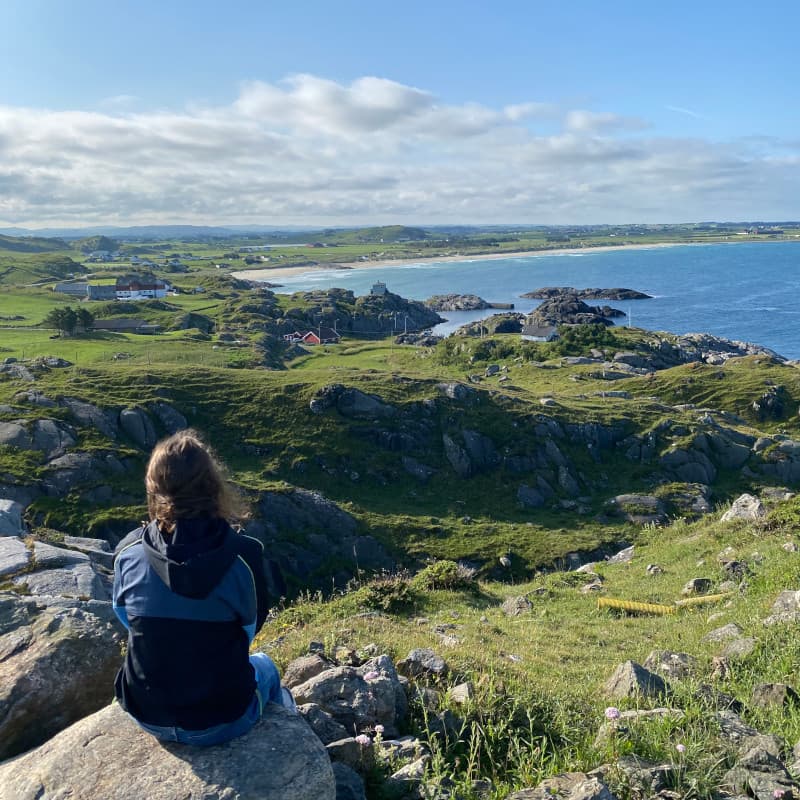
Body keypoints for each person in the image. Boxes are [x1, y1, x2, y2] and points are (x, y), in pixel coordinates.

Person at [112, 429, 295, 746]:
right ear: (213, 485)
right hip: (220, 718)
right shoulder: (245, 556)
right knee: (265, 667)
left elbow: (126, 617)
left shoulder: (128, 552)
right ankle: (290, 739)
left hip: (145, 711)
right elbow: (247, 633)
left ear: (154, 488)